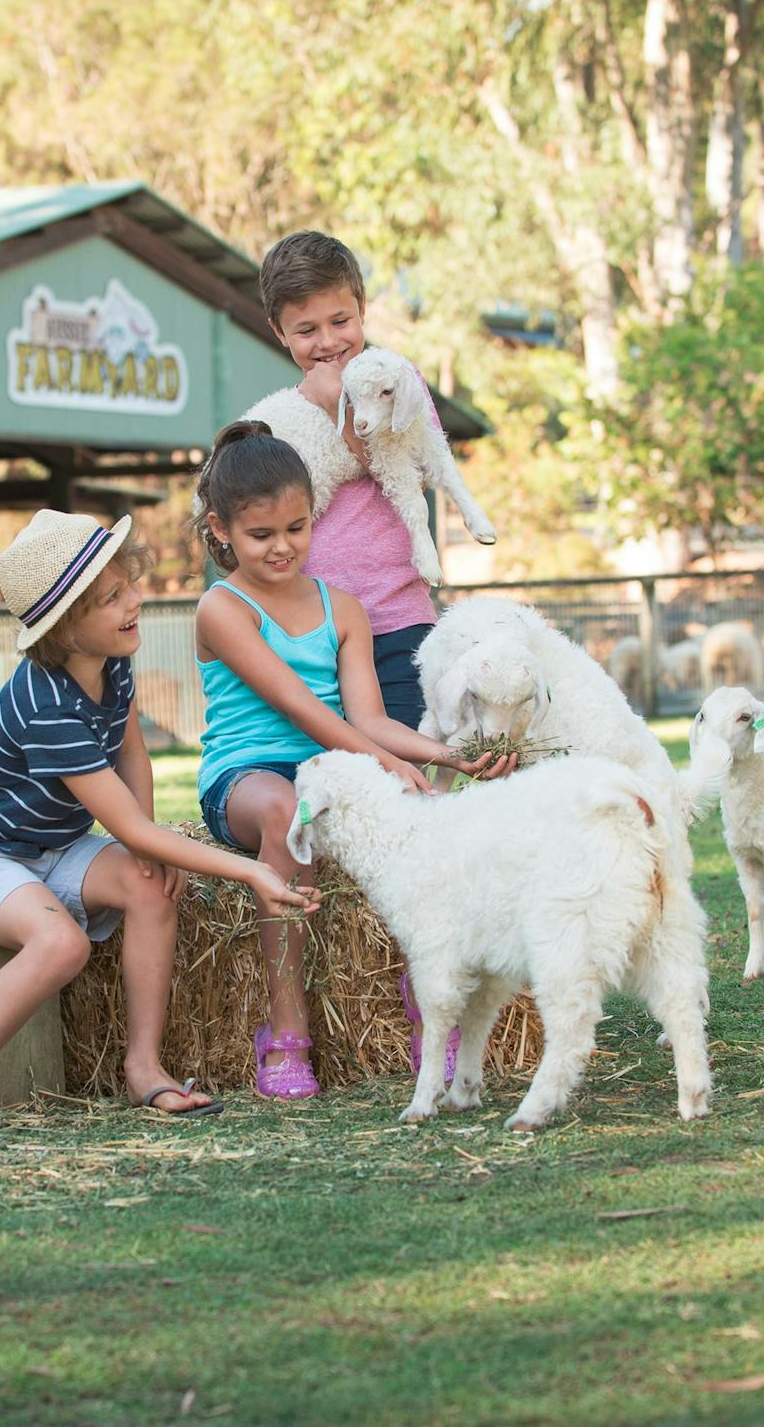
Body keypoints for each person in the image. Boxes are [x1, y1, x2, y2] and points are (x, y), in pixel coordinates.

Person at [0, 509, 315, 1141]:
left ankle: (143, 1067)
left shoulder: (113, 662)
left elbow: (132, 755)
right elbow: (118, 818)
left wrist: (150, 845)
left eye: (128, 586)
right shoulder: (46, 707)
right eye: (110, 598)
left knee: (152, 885)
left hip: (55, 844)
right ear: (65, 629)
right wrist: (250, 868)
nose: (133, 604)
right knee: (60, 943)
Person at [191, 422, 511, 1100]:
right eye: (260, 535)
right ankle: (286, 1028)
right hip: (249, 777)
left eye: (297, 528)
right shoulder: (221, 609)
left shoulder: (344, 609)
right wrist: (382, 764)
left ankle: (430, 995)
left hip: (335, 765)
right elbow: (306, 713)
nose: (283, 547)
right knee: (287, 813)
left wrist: (445, 756)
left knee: (428, 811)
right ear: (220, 530)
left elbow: (368, 720)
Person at [256, 230, 443, 729]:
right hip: (314, 632)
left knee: (401, 766)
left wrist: (338, 409)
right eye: (306, 330)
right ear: (279, 331)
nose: (328, 342)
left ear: (361, 308)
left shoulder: (396, 384)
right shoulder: (279, 422)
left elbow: (418, 475)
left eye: (340, 321)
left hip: (400, 619)